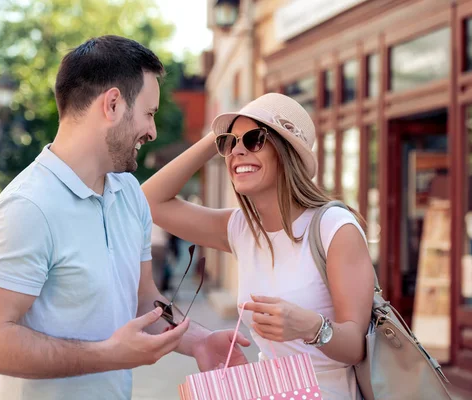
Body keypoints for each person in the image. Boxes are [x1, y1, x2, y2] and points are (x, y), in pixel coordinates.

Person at [0, 36, 250, 400]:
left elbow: (143, 298)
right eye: (149, 113)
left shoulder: (129, 193)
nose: (153, 131)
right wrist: (109, 355)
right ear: (113, 104)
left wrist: (199, 340)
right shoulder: (26, 208)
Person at [142, 93, 375, 399]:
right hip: (270, 390)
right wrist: (217, 136)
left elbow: (356, 347)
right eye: (230, 143)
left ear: (287, 152)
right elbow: (148, 202)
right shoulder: (242, 229)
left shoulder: (334, 227)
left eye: (255, 139)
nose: (237, 151)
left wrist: (311, 327)